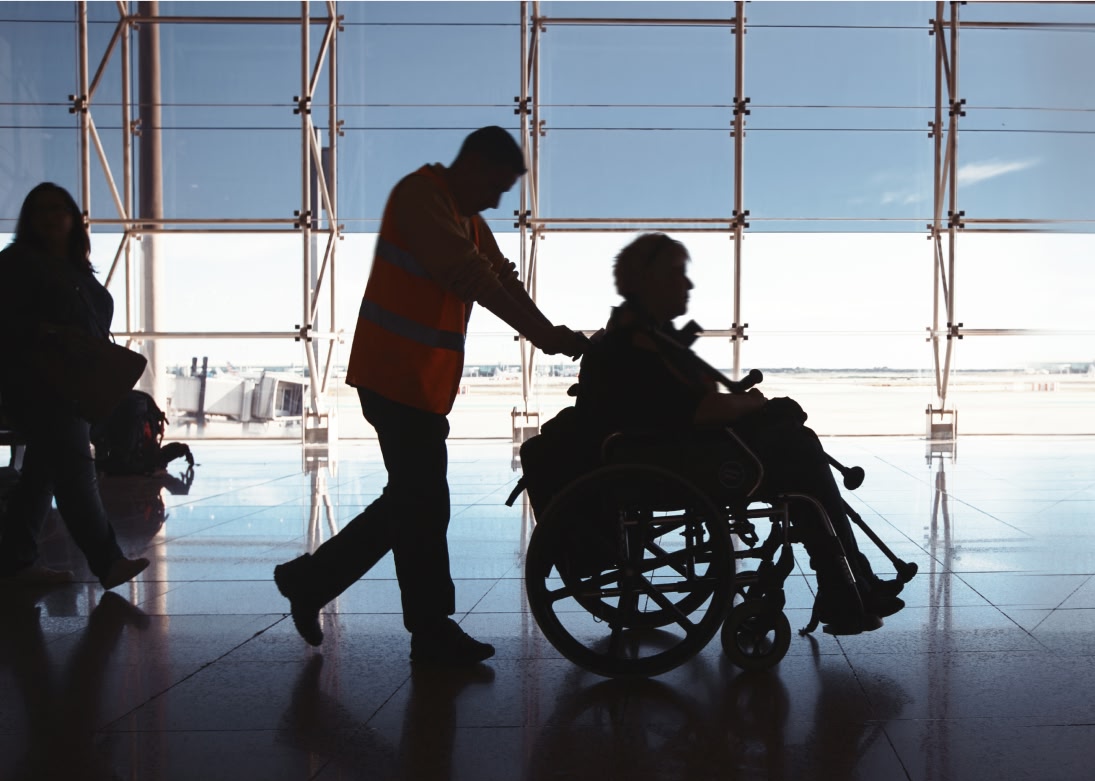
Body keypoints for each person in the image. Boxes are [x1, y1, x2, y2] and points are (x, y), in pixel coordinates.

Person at [272, 127, 589, 666]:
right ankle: (430, 627)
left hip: (416, 382)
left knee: (410, 500)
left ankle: (310, 580)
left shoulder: (462, 215)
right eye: (496, 184)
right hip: (394, 376)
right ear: (473, 165)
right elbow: (472, 277)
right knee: (424, 501)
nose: (496, 198)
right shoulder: (421, 197)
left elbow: (501, 277)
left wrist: (551, 333)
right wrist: (545, 336)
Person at [573, 232, 903, 635]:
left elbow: (680, 407)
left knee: (798, 448)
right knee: (799, 452)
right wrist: (755, 404)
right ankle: (847, 584)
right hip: (672, 462)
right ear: (647, 282)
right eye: (678, 274)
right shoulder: (636, 343)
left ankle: (850, 582)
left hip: (662, 453)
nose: (688, 284)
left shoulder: (633, 337)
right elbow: (698, 410)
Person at [0, 183, 150, 590]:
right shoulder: (19, 264)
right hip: (43, 384)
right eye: (42, 210)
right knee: (74, 468)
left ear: (73, 218)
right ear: (29, 219)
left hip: (68, 383)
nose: (51, 217)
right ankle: (107, 561)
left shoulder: (72, 268)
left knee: (42, 472)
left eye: (59, 209)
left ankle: (14, 562)